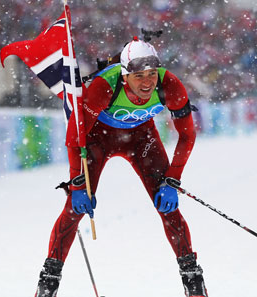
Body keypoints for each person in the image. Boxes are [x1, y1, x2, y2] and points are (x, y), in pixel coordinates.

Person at [35, 37, 208, 297]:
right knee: (74, 208)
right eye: (139, 76)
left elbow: (187, 135)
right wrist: (77, 182)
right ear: (125, 75)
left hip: (141, 139)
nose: (148, 82)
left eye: (152, 74)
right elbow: (75, 137)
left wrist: (173, 179)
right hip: (97, 139)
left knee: (168, 208)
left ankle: (193, 282)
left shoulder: (170, 84)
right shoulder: (105, 85)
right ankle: (48, 283)